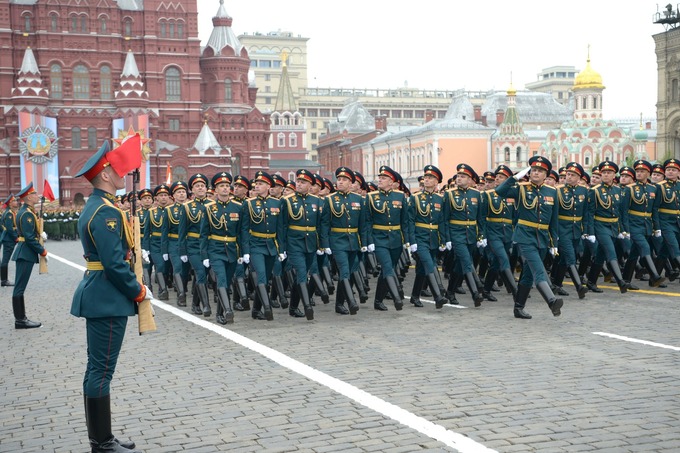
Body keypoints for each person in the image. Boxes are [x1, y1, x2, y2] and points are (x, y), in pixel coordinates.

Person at [71, 141, 146, 453]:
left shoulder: (102, 207)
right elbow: (114, 264)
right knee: (101, 371)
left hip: (101, 292)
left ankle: (103, 437)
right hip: (107, 296)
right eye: (115, 168)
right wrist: (138, 290)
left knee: (97, 369)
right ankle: (101, 442)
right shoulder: (104, 212)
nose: (122, 172)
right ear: (103, 175)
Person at [495, 156, 563, 319]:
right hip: (524, 236)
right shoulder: (521, 188)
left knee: (528, 274)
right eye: (533, 170)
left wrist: (554, 242)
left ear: (546, 174)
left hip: (542, 238)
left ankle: (518, 308)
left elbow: (554, 221)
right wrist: (514, 178)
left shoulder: (552, 192)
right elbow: (500, 192)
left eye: (539, 171)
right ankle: (551, 300)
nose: (535, 173)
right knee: (538, 269)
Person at [278, 169, 326, 319]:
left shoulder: (317, 201)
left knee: (303, 275)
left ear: (310, 185)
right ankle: (307, 306)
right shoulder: (287, 200)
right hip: (294, 242)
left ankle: (293, 307)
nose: (299, 184)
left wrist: (322, 244)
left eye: (303, 182)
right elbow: (282, 226)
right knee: (300, 271)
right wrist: (282, 247)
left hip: (310, 242)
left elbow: (320, 225)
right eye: (298, 181)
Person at [322, 167, 367, 315]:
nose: (340, 182)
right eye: (339, 179)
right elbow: (325, 224)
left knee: (350, 271)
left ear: (350, 183)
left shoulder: (358, 199)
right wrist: (325, 244)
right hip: (337, 241)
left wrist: (364, 242)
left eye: (344, 180)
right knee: (345, 271)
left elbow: (362, 224)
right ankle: (351, 302)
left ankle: (339, 304)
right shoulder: (330, 199)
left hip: (353, 241)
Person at [200, 172, 243, 324]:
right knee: (221, 279)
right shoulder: (209, 208)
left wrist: (243, 252)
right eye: (221, 186)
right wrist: (204, 255)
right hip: (215, 249)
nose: (225, 189)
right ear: (215, 190)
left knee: (228, 280)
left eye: (226, 186)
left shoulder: (238, 207)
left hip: (232, 249)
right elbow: (203, 233)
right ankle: (228, 310)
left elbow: (241, 232)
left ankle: (219, 314)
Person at [365, 166, 410, 311]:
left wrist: (407, 239)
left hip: (396, 239)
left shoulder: (400, 196)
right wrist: (369, 241)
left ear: (391, 182)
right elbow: (367, 222)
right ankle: (397, 298)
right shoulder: (371, 197)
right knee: (387, 266)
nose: (380, 180)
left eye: (384, 178)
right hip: (379, 238)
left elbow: (405, 221)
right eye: (380, 178)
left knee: (387, 270)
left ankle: (378, 300)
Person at [584, 161, 630, 293]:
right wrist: (591, 232)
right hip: (600, 226)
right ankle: (621, 281)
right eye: (603, 172)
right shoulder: (594, 191)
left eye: (608, 173)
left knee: (600, 255)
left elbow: (620, 213)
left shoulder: (618, 190)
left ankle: (591, 282)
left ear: (614, 175)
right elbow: (590, 213)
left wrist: (622, 229)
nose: (605, 175)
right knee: (611, 252)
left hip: (614, 226)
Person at [443, 164, 485, 306]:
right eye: (458, 176)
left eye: (463, 176)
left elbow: (480, 218)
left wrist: (481, 236)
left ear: (471, 180)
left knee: (459, 266)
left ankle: (450, 292)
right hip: (456, 234)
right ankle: (475, 293)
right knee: (467, 262)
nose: (459, 178)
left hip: (471, 234)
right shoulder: (449, 194)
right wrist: (447, 238)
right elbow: (445, 219)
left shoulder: (476, 194)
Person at [408, 165, 449, 309]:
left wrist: (444, 239)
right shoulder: (416, 198)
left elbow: (442, 221)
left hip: (433, 238)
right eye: (426, 177)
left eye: (430, 177)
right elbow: (410, 221)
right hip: (420, 238)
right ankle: (438, 295)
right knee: (429, 264)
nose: (427, 179)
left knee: (422, 269)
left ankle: (414, 296)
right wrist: (412, 241)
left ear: (437, 181)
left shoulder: (440, 199)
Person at [241, 171, 280, 320]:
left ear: (268, 186)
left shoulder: (277, 203)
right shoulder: (249, 203)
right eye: (256, 184)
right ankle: (267, 308)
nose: (257, 186)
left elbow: (280, 229)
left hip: (271, 245)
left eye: (261, 184)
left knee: (267, 276)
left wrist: (281, 249)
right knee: (261, 276)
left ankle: (256, 310)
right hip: (255, 245)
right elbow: (244, 229)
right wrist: (245, 250)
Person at [620, 160, 665, 288]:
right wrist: (625, 228)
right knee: (645, 248)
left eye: (642, 171)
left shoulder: (653, 188)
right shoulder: (630, 188)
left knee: (634, 254)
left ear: (648, 173)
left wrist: (656, 227)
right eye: (638, 171)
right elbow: (623, 211)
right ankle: (655, 276)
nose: (639, 173)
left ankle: (626, 281)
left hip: (646, 225)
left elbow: (654, 210)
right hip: (633, 224)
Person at [550, 162, 590, 299]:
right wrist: (554, 234)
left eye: (573, 175)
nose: (569, 177)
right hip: (562, 229)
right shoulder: (558, 190)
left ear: (579, 178)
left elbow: (586, 213)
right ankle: (579, 286)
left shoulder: (583, 191)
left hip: (576, 230)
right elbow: (554, 214)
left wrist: (586, 230)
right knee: (570, 257)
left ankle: (556, 284)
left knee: (563, 259)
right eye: (568, 174)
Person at [11, 183, 46, 329]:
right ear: (28, 197)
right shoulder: (26, 214)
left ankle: (21, 318)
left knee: (20, 287)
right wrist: (42, 251)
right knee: (19, 287)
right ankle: (20, 320)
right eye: (35, 194)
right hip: (25, 253)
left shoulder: (26, 211)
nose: (37, 196)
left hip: (24, 251)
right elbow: (29, 238)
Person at [178, 174, 212, 315]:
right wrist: (182, 251)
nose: (200, 188)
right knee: (200, 273)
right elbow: (182, 231)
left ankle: (195, 303)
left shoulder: (212, 205)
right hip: (193, 245)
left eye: (202, 186)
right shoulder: (187, 207)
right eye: (197, 186)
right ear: (192, 190)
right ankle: (206, 306)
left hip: (210, 245)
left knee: (206, 274)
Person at [1, 194, 19, 286]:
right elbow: (9, 228)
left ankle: (4, 280)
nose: (16, 202)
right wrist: (16, 237)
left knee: (5, 259)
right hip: (9, 240)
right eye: (15, 200)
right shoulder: (9, 213)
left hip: (8, 239)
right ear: (10, 203)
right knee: (5, 260)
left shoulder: (10, 212)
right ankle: (4, 280)